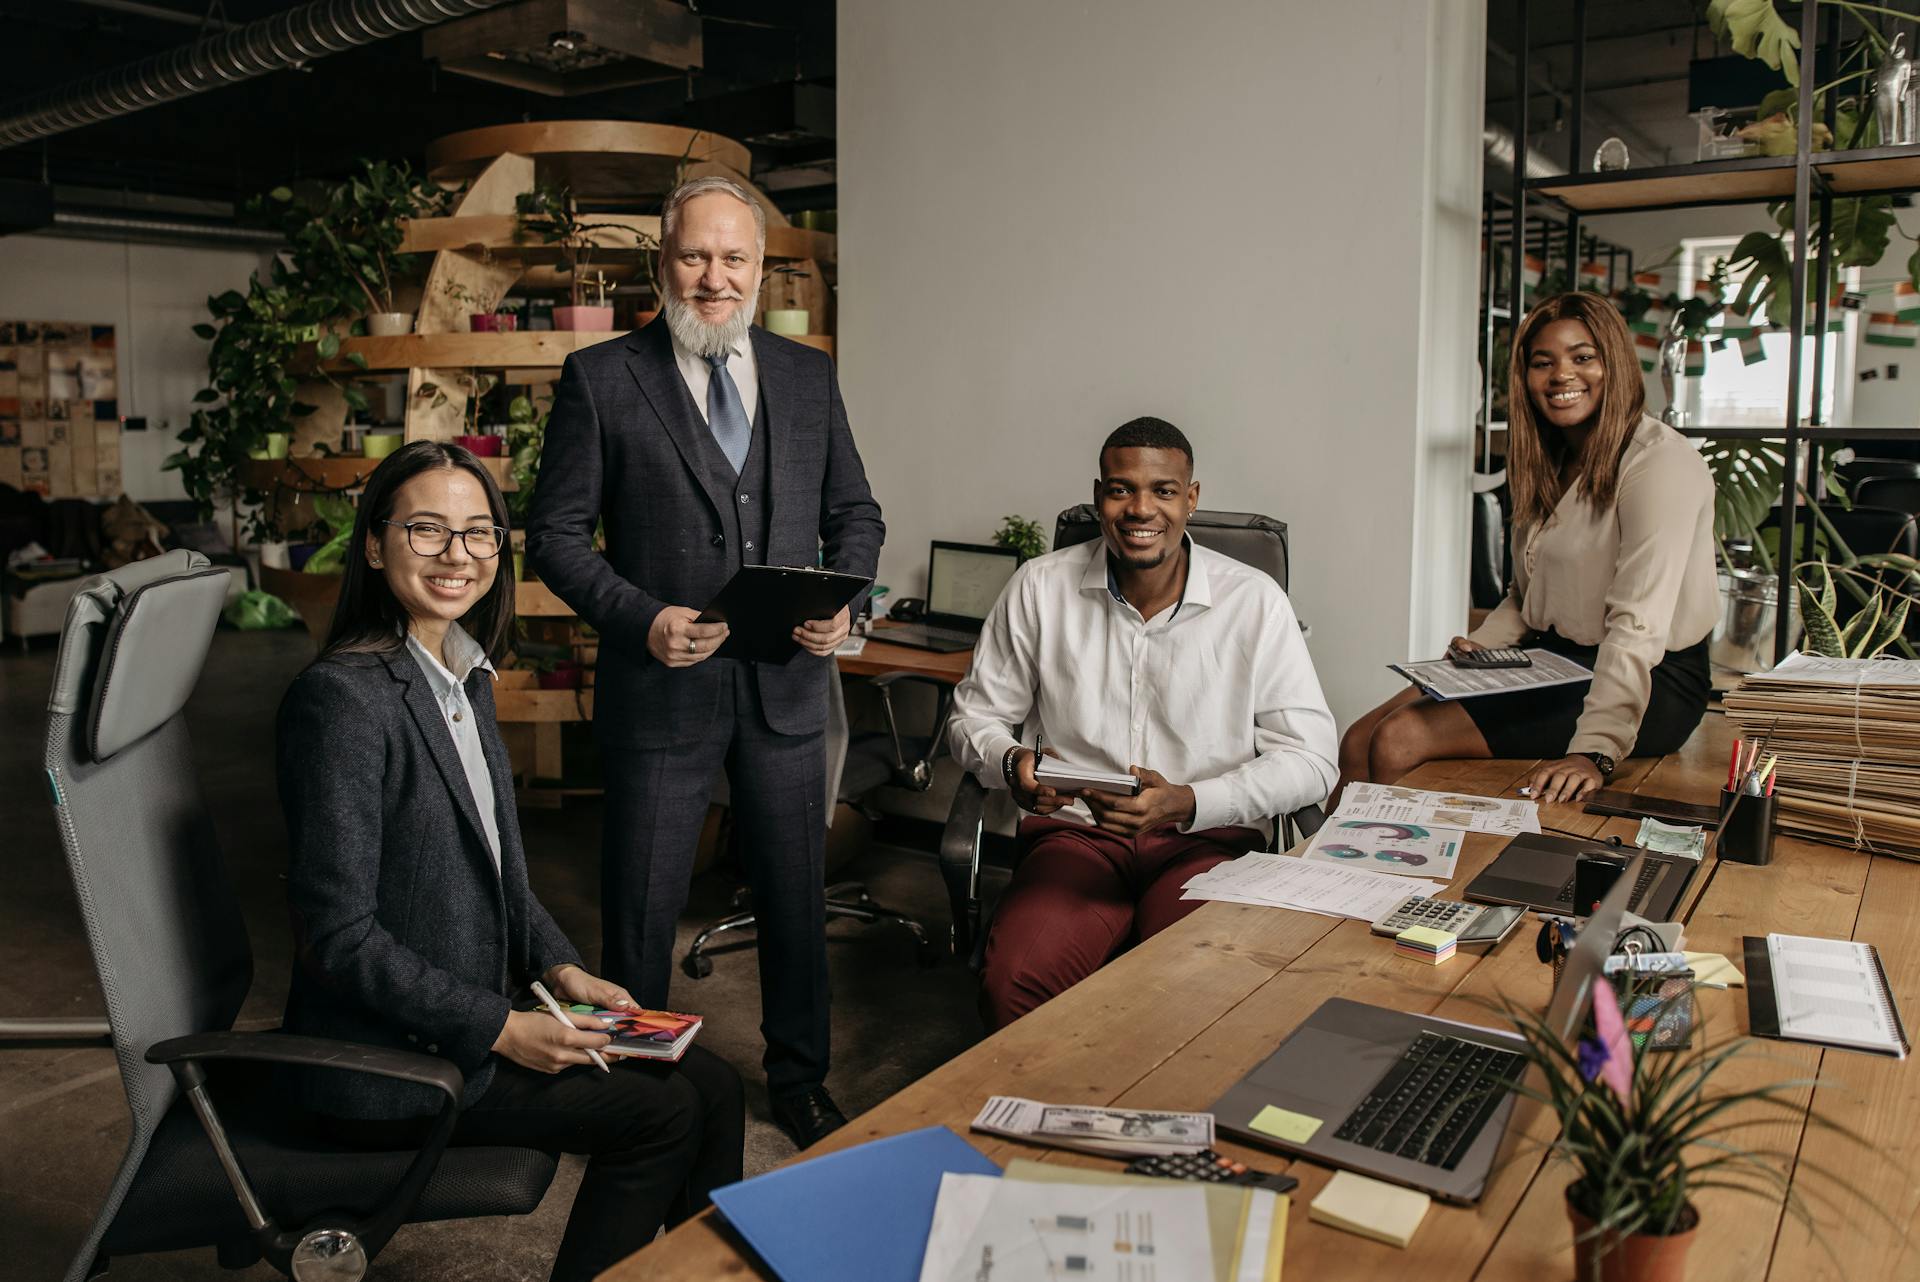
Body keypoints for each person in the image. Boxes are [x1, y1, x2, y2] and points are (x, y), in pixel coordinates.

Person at [277, 442, 743, 1282]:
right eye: (426, 530)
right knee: (664, 1115)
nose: (457, 555)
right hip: (394, 1065)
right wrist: (501, 1029)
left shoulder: (462, 674)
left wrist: (563, 967)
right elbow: (338, 937)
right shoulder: (342, 702)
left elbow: (497, 871)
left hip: (464, 1019)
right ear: (375, 545)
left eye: (478, 533)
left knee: (714, 1087)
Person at [526, 176, 884, 1147]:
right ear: (662, 265)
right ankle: (635, 1090)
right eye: (696, 256)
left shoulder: (808, 376)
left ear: (762, 270)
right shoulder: (602, 377)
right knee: (640, 902)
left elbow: (857, 514)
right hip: (660, 689)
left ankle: (801, 1077)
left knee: (792, 897)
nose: (714, 277)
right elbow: (552, 536)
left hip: (786, 691)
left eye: (735, 258)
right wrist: (640, 620)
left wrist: (839, 601)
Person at [948, 418, 1338, 1029]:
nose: (1140, 509)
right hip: (1076, 839)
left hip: (1208, 843)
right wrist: (1009, 762)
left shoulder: (1255, 602)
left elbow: (1313, 761)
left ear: (1191, 498)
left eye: (1162, 490)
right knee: (1015, 984)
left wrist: (1187, 801)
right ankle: (1044, 1123)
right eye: (1120, 489)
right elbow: (975, 718)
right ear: (1098, 495)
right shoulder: (1040, 588)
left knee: (1196, 987)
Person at [1337, 290, 1717, 805]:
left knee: (1401, 736)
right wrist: (1485, 646)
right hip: (1552, 659)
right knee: (1360, 736)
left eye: (1583, 358)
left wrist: (1597, 749)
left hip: (1651, 679)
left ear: (1617, 365)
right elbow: (1524, 595)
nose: (1561, 375)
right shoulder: (1548, 461)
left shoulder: (1659, 464)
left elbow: (1639, 624)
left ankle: (1382, 871)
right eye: (1544, 363)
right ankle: (1326, 877)